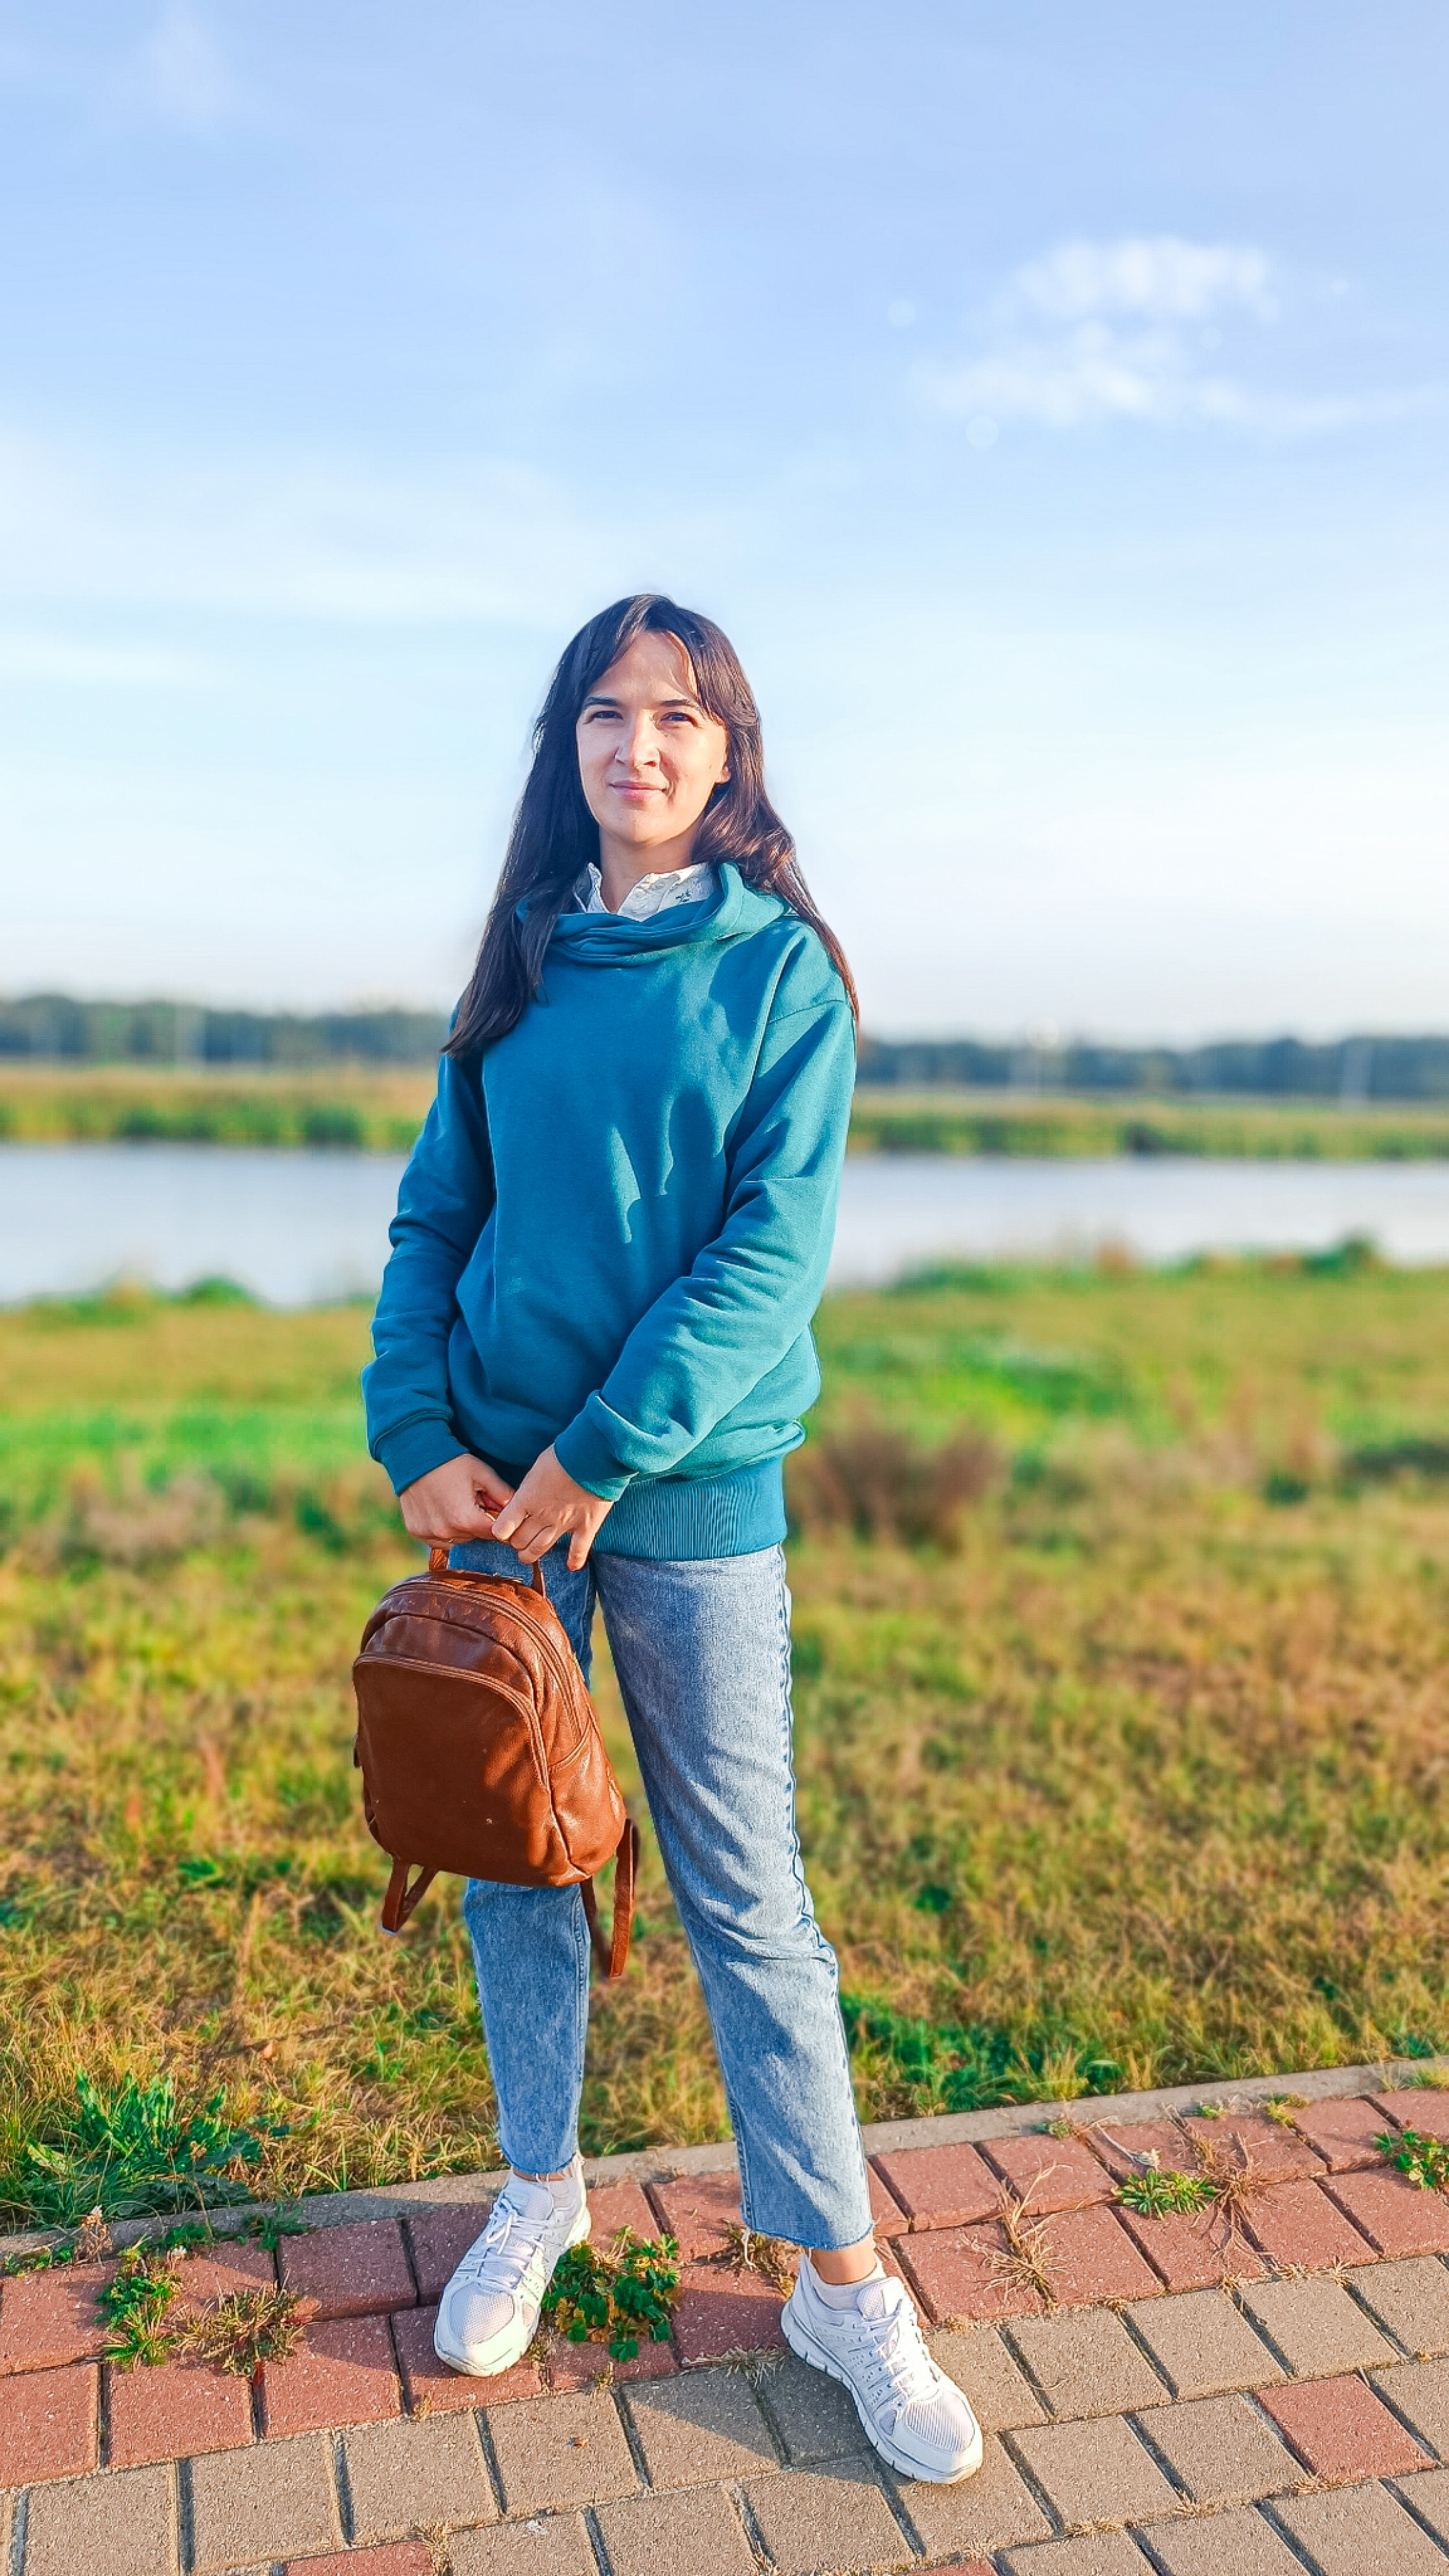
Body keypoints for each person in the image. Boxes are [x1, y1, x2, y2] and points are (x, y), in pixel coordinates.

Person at [362, 593, 982, 2484]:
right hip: (494, 1507)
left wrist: (606, 1456)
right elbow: (428, 1227)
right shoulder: (524, 962)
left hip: (685, 1501)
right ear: (569, 751)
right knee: (512, 1859)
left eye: (682, 719)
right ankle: (538, 2198)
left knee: (746, 1896)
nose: (643, 748)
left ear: (730, 755)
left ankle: (837, 2276)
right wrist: (415, 1434)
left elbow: (765, 1259)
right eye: (610, 718)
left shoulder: (781, 975)